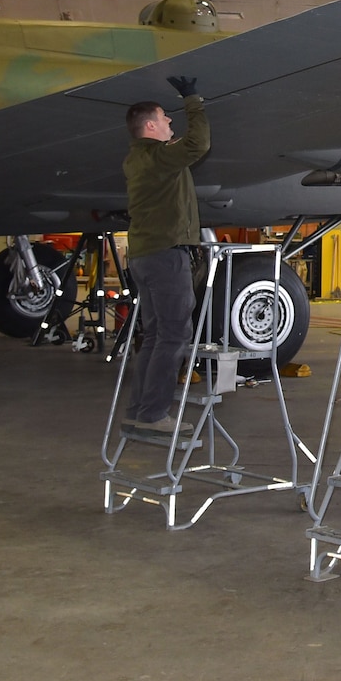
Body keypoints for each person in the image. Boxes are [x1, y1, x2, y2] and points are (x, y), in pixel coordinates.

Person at [121, 75, 209, 432]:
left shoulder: (136, 160)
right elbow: (198, 143)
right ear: (151, 125)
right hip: (165, 256)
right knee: (174, 334)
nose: (170, 122)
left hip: (144, 256)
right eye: (165, 117)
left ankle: (140, 410)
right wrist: (193, 99)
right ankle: (155, 415)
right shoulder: (159, 157)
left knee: (156, 336)